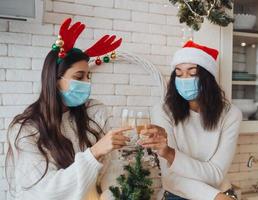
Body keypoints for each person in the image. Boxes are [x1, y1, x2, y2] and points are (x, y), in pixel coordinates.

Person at [5, 18, 130, 200]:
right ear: (55, 81)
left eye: (88, 77)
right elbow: (47, 193)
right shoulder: (26, 129)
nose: (86, 84)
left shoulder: (95, 112)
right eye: (79, 77)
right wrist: (94, 153)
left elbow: (112, 171)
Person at [139, 41, 242, 200]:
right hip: (182, 195)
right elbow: (171, 176)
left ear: (207, 77)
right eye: (179, 74)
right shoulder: (162, 111)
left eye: (192, 73)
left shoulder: (231, 114)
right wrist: (215, 197)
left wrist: (173, 157)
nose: (184, 79)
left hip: (222, 192)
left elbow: (216, 174)